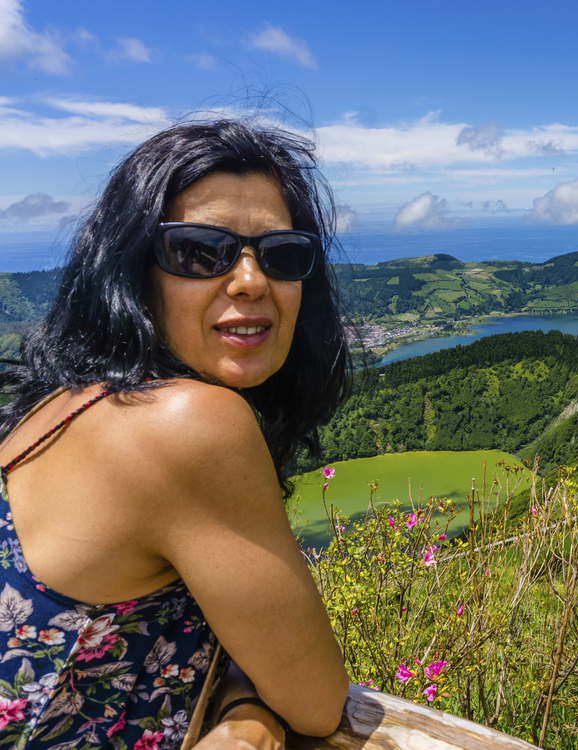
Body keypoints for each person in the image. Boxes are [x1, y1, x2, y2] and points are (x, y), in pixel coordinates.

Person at [0, 119, 352, 749]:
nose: (251, 279)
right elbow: (317, 701)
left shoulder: (60, 405)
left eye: (283, 254)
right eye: (198, 251)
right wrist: (250, 707)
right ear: (133, 270)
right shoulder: (190, 425)